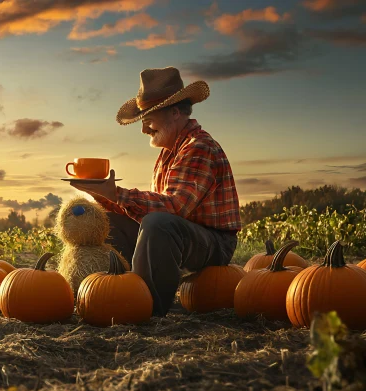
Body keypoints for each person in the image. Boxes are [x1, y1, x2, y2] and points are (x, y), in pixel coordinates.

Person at [70, 67, 241, 317]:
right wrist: (102, 195)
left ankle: (147, 306)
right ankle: (118, 291)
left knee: (157, 223)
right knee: (112, 221)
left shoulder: (199, 146)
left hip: (214, 243)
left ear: (174, 113)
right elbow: (153, 209)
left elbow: (174, 208)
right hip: (183, 233)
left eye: (148, 120)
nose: (144, 130)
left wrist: (117, 193)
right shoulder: (168, 153)